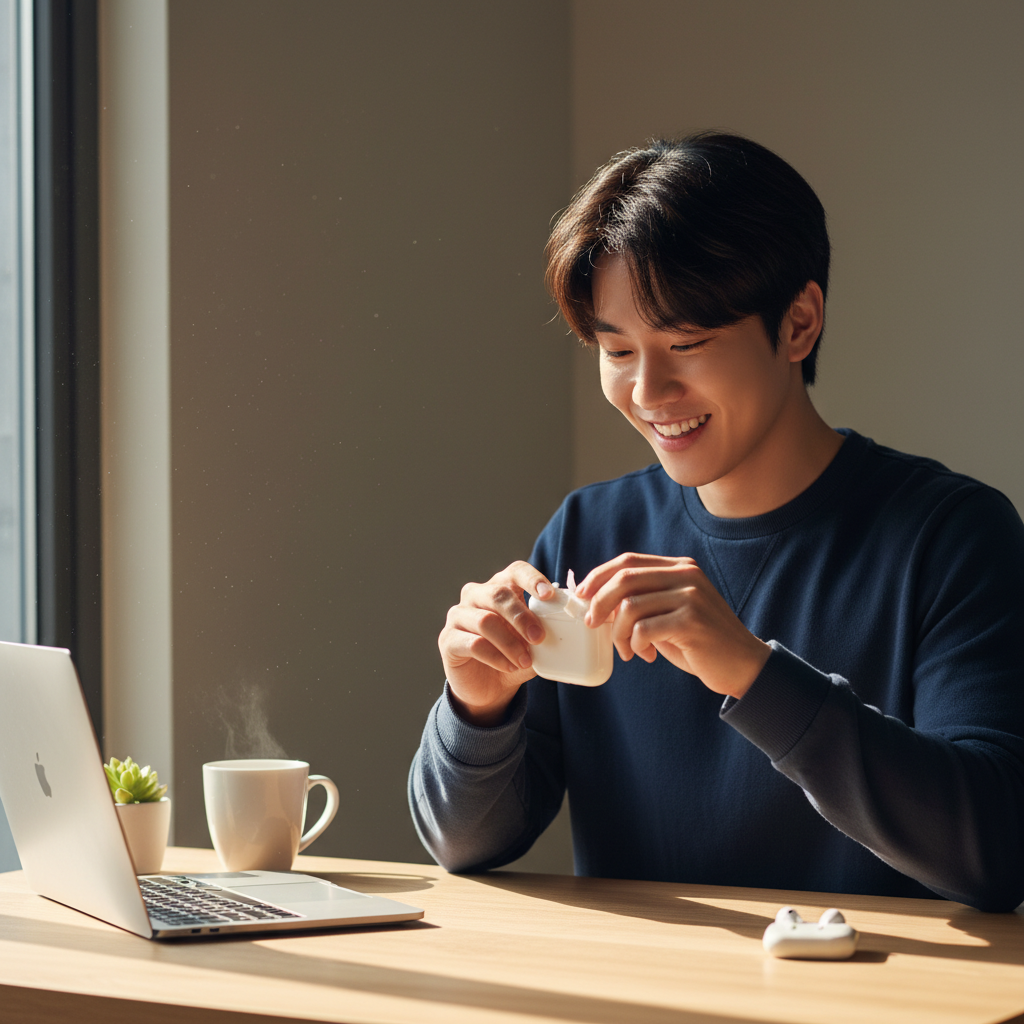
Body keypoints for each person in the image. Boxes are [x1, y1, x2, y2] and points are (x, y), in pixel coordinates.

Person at [408, 132, 1024, 912]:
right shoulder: (589, 530)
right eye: (617, 351)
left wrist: (754, 674)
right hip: (643, 980)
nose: (648, 391)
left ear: (799, 324)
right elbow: (466, 845)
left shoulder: (953, 536)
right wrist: (477, 707)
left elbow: (998, 852)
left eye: (687, 343)